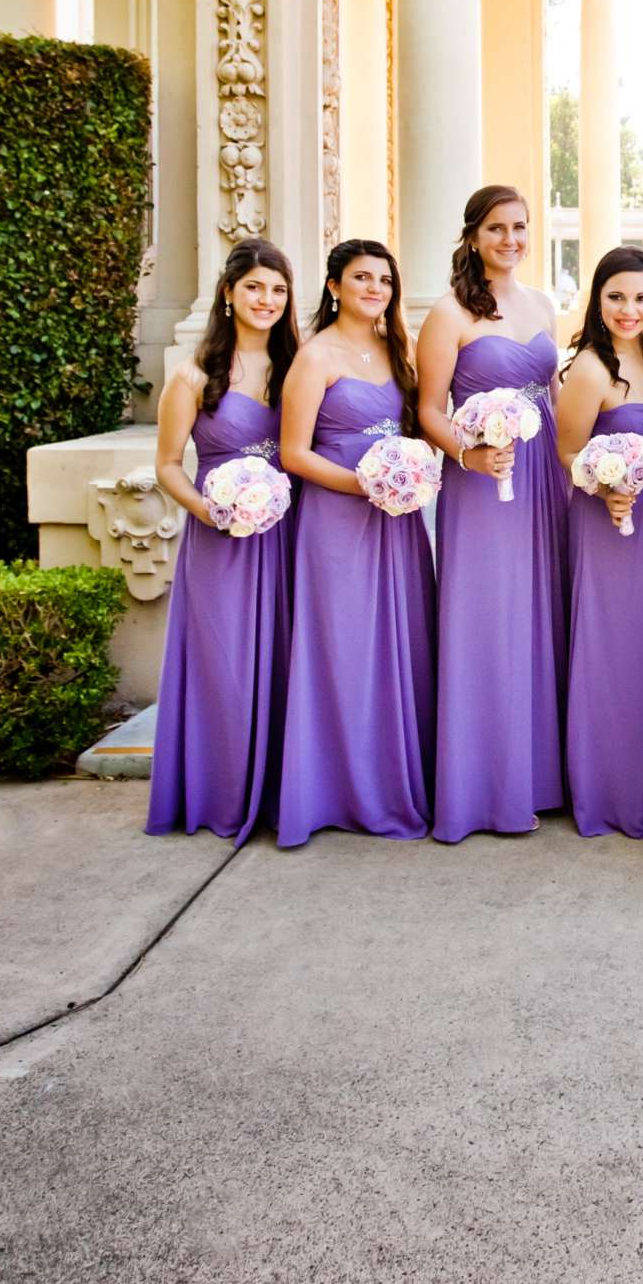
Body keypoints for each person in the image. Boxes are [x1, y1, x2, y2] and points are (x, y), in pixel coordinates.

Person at [416, 186, 567, 840]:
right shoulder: (448, 314)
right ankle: (483, 787)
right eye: (498, 228)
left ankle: (540, 776)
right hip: (483, 480)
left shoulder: (543, 305)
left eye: (520, 227)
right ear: (474, 235)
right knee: (490, 619)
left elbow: (556, 394)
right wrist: (469, 454)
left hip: (542, 481)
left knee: (539, 613)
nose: (511, 239)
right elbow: (426, 410)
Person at [277, 240, 435, 846]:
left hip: (397, 523)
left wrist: (408, 477)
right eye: (362, 278)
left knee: (401, 645)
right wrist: (365, 485)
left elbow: (417, 427)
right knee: (343, 651)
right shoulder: (316, 357)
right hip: (338, 521)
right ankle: (337, 790)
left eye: (385, 281)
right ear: (335, 286)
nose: (375, 289)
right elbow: (294, 454)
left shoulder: (399, 350)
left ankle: (398, 781)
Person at [147, 239, 298, 843]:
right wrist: (210, 513)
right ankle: (221, 791)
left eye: (279, 290)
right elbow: (167, 465)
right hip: (223, 542)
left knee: (286, 656)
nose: (267, 300)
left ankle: (281, 793)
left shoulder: (298, 365)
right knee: (226, 665)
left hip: (288, 536)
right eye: (255, 287)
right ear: (229, 294)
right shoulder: (192, 374)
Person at [554, 249, 643, 838]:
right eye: (616, 297)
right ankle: (610, 791)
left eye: (641, 298)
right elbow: (565, 453)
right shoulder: (589, 368)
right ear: (597, 300)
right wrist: (606, 487)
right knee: (616, 651)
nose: (629, 310)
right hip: (610, 522)